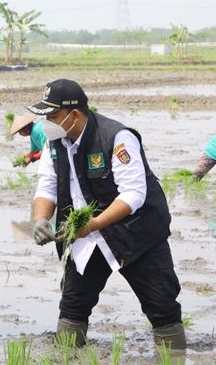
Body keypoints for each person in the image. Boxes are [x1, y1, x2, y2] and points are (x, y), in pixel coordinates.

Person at [29, 79, 185, 349]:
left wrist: (95, 223)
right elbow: (47, 186)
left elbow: (133, 194)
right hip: (85, 237)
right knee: (73, 305)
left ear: (74, 115)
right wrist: (40, 219)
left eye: (52, 116)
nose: (47, 123)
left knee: (162, 306)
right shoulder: (53, 143)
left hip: (135, 234)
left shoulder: (116, 137)